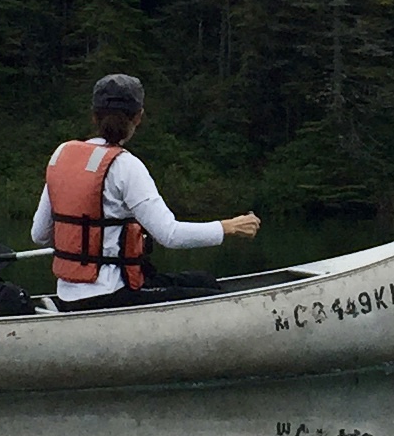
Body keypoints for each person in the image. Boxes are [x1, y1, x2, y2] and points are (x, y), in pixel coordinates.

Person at [29, 72, 259, 311]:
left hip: (67, 296)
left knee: (203, 280)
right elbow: (170, 234)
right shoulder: (125, 165)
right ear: (138, 117)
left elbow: (39, 235)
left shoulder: (62, 155)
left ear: (94, 116)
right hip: (111, 295)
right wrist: (228, 227)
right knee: (210, 294)